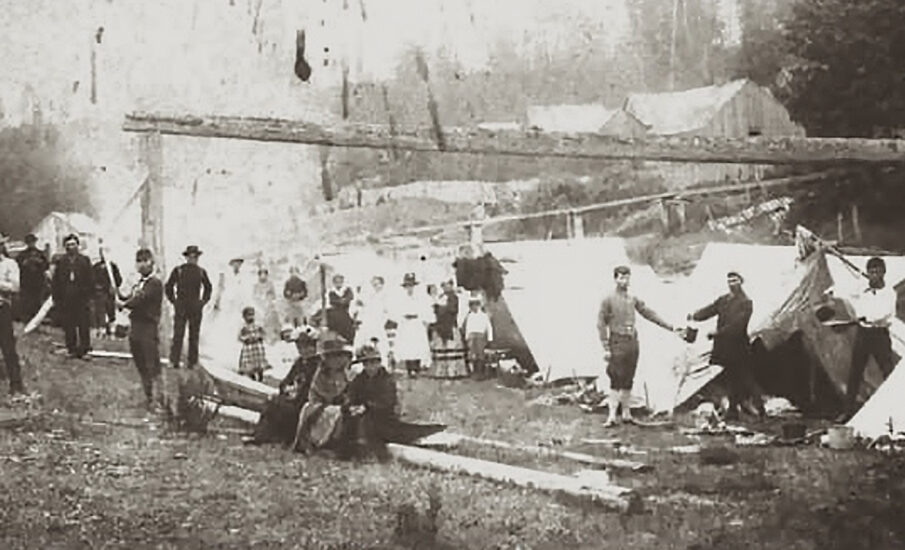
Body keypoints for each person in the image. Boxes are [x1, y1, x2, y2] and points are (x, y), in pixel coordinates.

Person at [597, 265, 683, 427]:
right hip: (617, 342)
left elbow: (649, 313)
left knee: (629, 377)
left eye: (627, 277)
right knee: (616, 378)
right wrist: (605, 347)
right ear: (615, 279)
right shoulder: (608, 299)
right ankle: (611, 417)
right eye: (621, 277)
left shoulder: (632, 298)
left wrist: (671, 327)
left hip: (632, 343)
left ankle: (626, 414)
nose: (624, 281)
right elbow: (601, 324)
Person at [689, 271, 764, 421]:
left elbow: (737, 325)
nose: (732, 284)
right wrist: (694, 315)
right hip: (725, 346)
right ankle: (733, 410)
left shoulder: (746, 302)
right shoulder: (724, 300)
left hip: (738, 346)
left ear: (741, 282)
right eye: (729, 281)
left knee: (745, 377)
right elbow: (709, 310)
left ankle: (760, 408)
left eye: (735, 281)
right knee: (730, 377)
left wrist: (717, 333)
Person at [832, 257, 898, 421]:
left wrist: (863, 316)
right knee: (855, 372)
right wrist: (834, 292)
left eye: (877, 272)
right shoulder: (861, 289)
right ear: (867, 273)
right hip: (863, 334)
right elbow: (844, 293)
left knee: (888, 372)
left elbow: (882, 315)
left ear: (884, 273)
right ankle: (847, 411)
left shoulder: (889, 293)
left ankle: (897, 408)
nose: (874, 275)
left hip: (880, 334)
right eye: (871, 272)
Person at [118, 248, 165, 412]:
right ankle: (149, 399)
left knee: (152, 365)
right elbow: (130, 297)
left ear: (152, 262)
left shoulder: (155, 283)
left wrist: (124, 304)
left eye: (146, 261)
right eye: (139, 261)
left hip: (148, 328)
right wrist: (118, 296)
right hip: (136, 328)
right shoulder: (139, 283)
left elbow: (140, 299)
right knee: (141, 365)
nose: (142, 264)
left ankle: (159, 402)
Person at [292, 331, 354, 454]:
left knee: (337, 414)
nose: (335, 360)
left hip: (342, 407)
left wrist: (344, 402)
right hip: (321, 405)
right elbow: (315, 392)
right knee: (308, 409)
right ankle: (308, 443)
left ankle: (331, 445)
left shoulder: (349, 374)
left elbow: (353, 394)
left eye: (339, 356)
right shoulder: (321, 374)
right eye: (331, 357)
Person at [340, 344, 400, 459]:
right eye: (367, 364)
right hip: (362, 412)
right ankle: (346, 452)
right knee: (347, 420)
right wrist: (350, 406)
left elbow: (387, 402)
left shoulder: (386, 379)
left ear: (379, 363)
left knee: (370, 424)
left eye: (373, 363)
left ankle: (377, 454)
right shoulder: (360, 378)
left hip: (384, 417)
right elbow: (351, 394)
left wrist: (367, 407)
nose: (370, 367)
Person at [164, 245, 213, 369]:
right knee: (178, 334)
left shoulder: (201, 272)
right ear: (186, 257)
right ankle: (174, 360)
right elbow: (169, 286)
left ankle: (193, 362)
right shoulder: (178, 270)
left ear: (197, 258)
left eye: (195, 257)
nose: (192, 259)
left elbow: (208, 288)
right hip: (181, 306)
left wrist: (202, 302)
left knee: (194, 335)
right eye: (190, 257)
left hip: (195, 307)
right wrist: (174, 301)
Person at [51, 234, 94, 359]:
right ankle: (71, 348)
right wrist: (56, 298)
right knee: (69, 324)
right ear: (65, 247)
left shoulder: (84, 260)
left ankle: (85, 349)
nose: (71, 247)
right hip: (66, 298)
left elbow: (91, 279)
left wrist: (88, 296)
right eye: (68, 245)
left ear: (77, 245)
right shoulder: (62, 261)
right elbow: (56, 281)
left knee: (83, 324)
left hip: (81, 297)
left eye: (73, 244)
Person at [391, 273, 433, 377]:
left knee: (417, 345)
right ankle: (409, 368)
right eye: (407, 286)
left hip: (416, 323)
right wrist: (401, 317)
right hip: (405, 323)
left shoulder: (420, 297)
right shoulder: (400, 297)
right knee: (407, 346)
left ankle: (416, 367)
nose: (409, 288)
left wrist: (424, 319)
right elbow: (396, 310)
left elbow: (425, 309)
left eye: (411, 285)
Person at [0, 234, 27, 398]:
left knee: (8, 348)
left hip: (2, 308)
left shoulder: (10, 264)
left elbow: (15, 287)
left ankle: (16, 385)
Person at [429, 280, 468, 378]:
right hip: (440, 325)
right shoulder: (441, 297)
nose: (445, 288)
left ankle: (454, 371)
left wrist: (440, 308)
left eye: (447, 286)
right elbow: (435, 310)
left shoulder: (454, 297)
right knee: (441, 349)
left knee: (452, 348)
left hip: (450, 324)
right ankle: (441, 371)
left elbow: (452, 310)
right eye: (444, 286)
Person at [16, 233, 49, 323]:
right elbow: (18, 266)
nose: (31, 244)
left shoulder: (40, 254)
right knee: (27, 300)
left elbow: (46, 265)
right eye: (29, 242)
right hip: (26, 282)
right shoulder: (22, 255)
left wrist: (39, 262)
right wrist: (26, 262)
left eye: (32, 242)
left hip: (38, 282)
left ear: (35, 242)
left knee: (37, 300)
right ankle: (27, 318)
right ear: (27, 243)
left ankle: (36, 319)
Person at [91, 252, 122, 340]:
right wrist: (97, 288)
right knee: (101, 311)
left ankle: (112, 331)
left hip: (109, 293)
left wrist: (115, 286)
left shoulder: (113, 266)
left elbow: (118, 279)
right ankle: (102, 330)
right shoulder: (96, 267)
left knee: (111, 311)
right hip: (100, 293)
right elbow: (92, 280)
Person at [237, 306, 269, 381]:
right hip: (249, 347)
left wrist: (260, 336)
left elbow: (263, 333)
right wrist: (245, 339)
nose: (250, 317)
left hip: (257, 346)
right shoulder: (243, 327)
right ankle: (252, 376)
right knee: (249, 362)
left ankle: (260, 375)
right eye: (248, 315)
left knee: (259, 361)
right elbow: (240, 336)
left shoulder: (258, 325)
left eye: (252, 314)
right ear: (244, 317)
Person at [251, 265, 281, 344]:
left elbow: (274, 296)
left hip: (269, 306)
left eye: (265, 274)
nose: (263, 276)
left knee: (273, 318)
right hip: (260, 308)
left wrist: (270, 302)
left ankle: (275, 337)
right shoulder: (256, 286)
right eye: (261, 274)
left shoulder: (270, 284)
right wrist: (260, 303)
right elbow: (254, 297)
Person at [327, 273, 355, 343]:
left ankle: (347, 337)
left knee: (347, 320)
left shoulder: (347, 290)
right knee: (333, 317)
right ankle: (338, 335)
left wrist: (343, 301)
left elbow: (350, 297)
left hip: (345, 310)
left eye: (340, 282)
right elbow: (332, 301)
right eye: (336, 282)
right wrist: (341, 301)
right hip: (336, 310)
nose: (338, 284)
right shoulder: (332, 292)